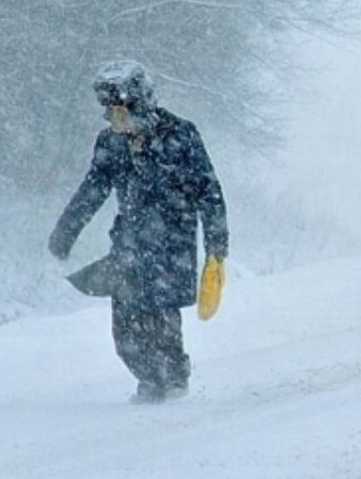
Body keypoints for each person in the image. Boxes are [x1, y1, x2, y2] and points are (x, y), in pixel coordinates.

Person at [48, 60, 229, 403]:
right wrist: (66, 230)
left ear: (141, 104)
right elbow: (93, 188)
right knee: (125, 327)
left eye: (121, 110)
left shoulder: (181, 135)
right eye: (110, 112)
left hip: (172, 244)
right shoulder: (110, 144)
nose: (115, 118)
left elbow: (209, 192)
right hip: (128, 245)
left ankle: (173, 378)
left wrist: (216, 247)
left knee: (160, 317)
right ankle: (148, 379)